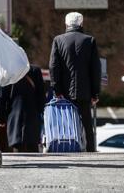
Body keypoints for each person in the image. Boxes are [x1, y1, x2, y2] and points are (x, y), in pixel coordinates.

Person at [49, 12, 101, 152]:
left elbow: (54, 67)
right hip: (85, 91)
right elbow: (95, 69)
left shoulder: (58, 40)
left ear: (66, 24)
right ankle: (90, 150)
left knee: (65, 122)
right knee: (87, 124)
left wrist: (57, 90)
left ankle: (66, 148)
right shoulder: (89, 40)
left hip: (64, 92)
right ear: (81, 24)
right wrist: (95, 93)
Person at [0, 65, 45, 152]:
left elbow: (2, 98)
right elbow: (41, 96)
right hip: (32, 119)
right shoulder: (35, 71)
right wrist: (40, 111)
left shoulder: (8, 72)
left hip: (15, 120)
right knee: (34, 152)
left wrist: (1, 118)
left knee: (18, 152)